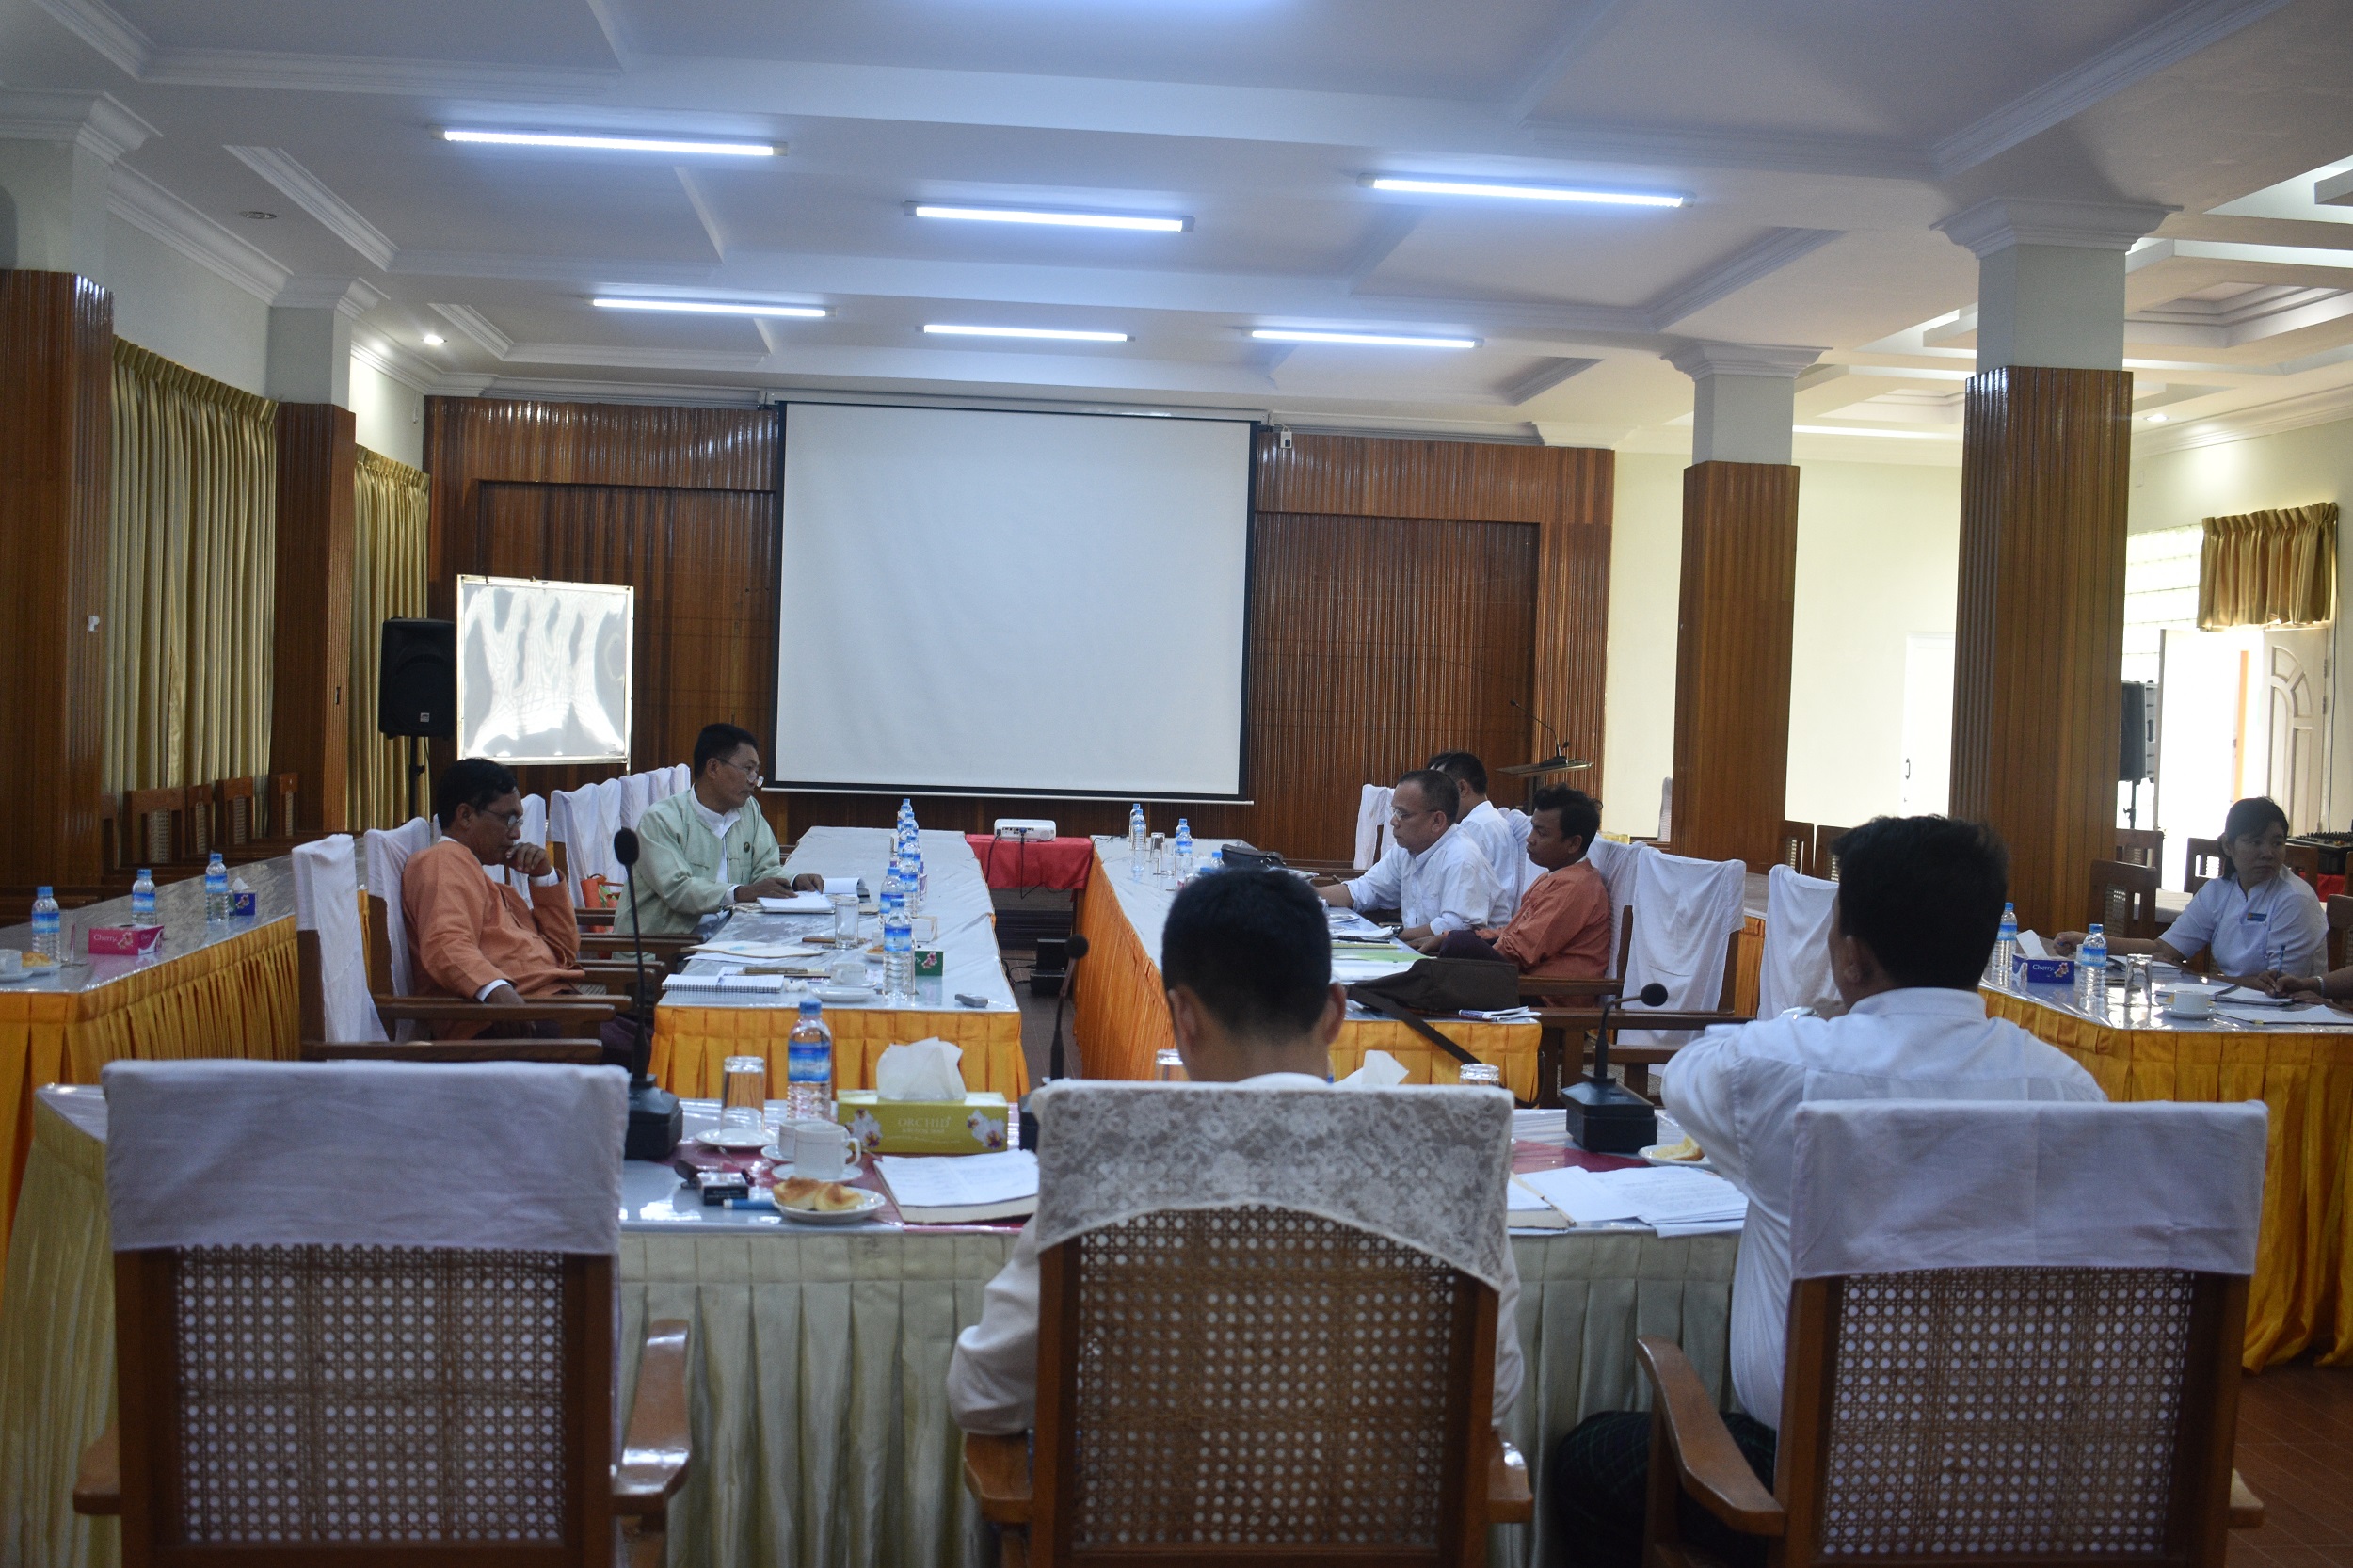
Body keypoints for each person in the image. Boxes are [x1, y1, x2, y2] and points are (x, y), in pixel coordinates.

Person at [1549, 816, 2104, 1568]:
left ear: (1850, 953)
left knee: (1587, 1459)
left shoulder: (1781, 1066)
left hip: (1813, 1480)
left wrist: (1820, 1016)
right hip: (2006, 1489)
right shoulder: (2069, 1088)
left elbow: (1683, 1080)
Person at [946, 869, 1523, 1433]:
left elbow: (981, 1395)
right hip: (1373, 1498)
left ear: (1183, 1017)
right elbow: (1491, 1397)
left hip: (1157, 1499)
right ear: (1335, 1012)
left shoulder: (1107, 1154)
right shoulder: (1450, 1160)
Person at [403, 758, 592, 1041]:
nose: (516, 833)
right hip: (507, 1023)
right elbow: (446, 944)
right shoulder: (443, 862)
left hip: (551, 1005)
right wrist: (496, 991)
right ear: (465, 816)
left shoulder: (488, 881)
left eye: (519, 821)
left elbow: (565, 952)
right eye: (509, 819)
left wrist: (543, 876)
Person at [2053, 796, 2322, 984]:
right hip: (2235, 1005)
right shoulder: (2219, 891)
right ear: (2228, 846)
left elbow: (2279, 986)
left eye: (2277, 843)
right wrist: (2090, 941)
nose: (2268, 853)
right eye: (2255, 842)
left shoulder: (2294, 899)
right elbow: (2164, 949)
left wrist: (2199, 978)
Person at [627, 723, 818, 936]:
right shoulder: (661, 819)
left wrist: (793, 881)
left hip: (732, 931)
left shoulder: (749, 810)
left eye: (756, 772)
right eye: (748, 769)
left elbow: (764, 869)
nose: (754, 781)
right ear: (713, 768)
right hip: (668, 945)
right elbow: (678, 889)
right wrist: (740, 893)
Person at [1433, 785, 1611, 981]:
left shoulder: (1575, 886)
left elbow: (1521, 951)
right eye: (1532, 828)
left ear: (1573, 843)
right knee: (1456, 942)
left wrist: (1460, 942)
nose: (1530, 839)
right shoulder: (1554, 876)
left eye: (1541, 833)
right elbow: (1511, 933)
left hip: (1545, 991)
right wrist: (1447, 936)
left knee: (1458, 945)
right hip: (1524, 978)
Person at [1315, 768, 1504, 947]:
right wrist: (1306, 892)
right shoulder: (1407, 849)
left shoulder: (1462, 857)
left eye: (1402, 814)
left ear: (1437, 821)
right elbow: (1366, 889)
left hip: (1462, 963)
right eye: (1394, 811)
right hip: (1423, 954)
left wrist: (1386, 934)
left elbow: (1454, 927)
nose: (1393, 821)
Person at [1429, 750, 1537, 914]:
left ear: (1462, 788)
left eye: (1438, 792)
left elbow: (1456, 896)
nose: (1433, 802)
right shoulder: (1490, 820)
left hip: (1480, 924)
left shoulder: (1475, 826)